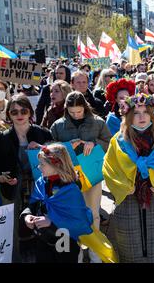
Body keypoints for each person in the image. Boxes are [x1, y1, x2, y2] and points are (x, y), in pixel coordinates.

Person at [103, 93, 154, 262]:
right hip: (128, 197)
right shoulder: (117, 141)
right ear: (129, 117)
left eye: (146, 112)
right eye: (136, 113)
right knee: (130, 245)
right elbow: (109, 168)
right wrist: (124, 185)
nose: (141, 117)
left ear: (152, 115)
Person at [50, 91, 111, 263]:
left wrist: (95, 143)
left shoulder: (98, 122)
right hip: (67, 178)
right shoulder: (57, 125)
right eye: (72, 112)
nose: (76, 115)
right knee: (72, 214)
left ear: (85, 107)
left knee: (93, 213)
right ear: (66, 110)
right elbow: (49, 148)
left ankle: (95, 250)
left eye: (79, 111)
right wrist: (65, 146)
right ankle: (75, 252)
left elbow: (111, 143)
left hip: (92, 175)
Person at [0, 94, 53, 262]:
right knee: (12, 227)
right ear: (9, 115)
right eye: (14, 111)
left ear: (30, 112)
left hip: (41, 187)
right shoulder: (0, 139)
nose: (19, 115)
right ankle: (16, 257)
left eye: (23, 110)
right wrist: (1, 178)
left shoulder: (43, 133)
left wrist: (43, 148)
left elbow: (59, 160)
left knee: (42, 222)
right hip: (12, 190)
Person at [20, 144, 93, 263]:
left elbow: (80, 222)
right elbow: (32, 205)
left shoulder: (71, 189)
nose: (39, 167)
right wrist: (27, 215)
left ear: (57, 165)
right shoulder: (41, 182)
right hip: (43, 239)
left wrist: (51, 222)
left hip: (65, 242)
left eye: (42, 164)